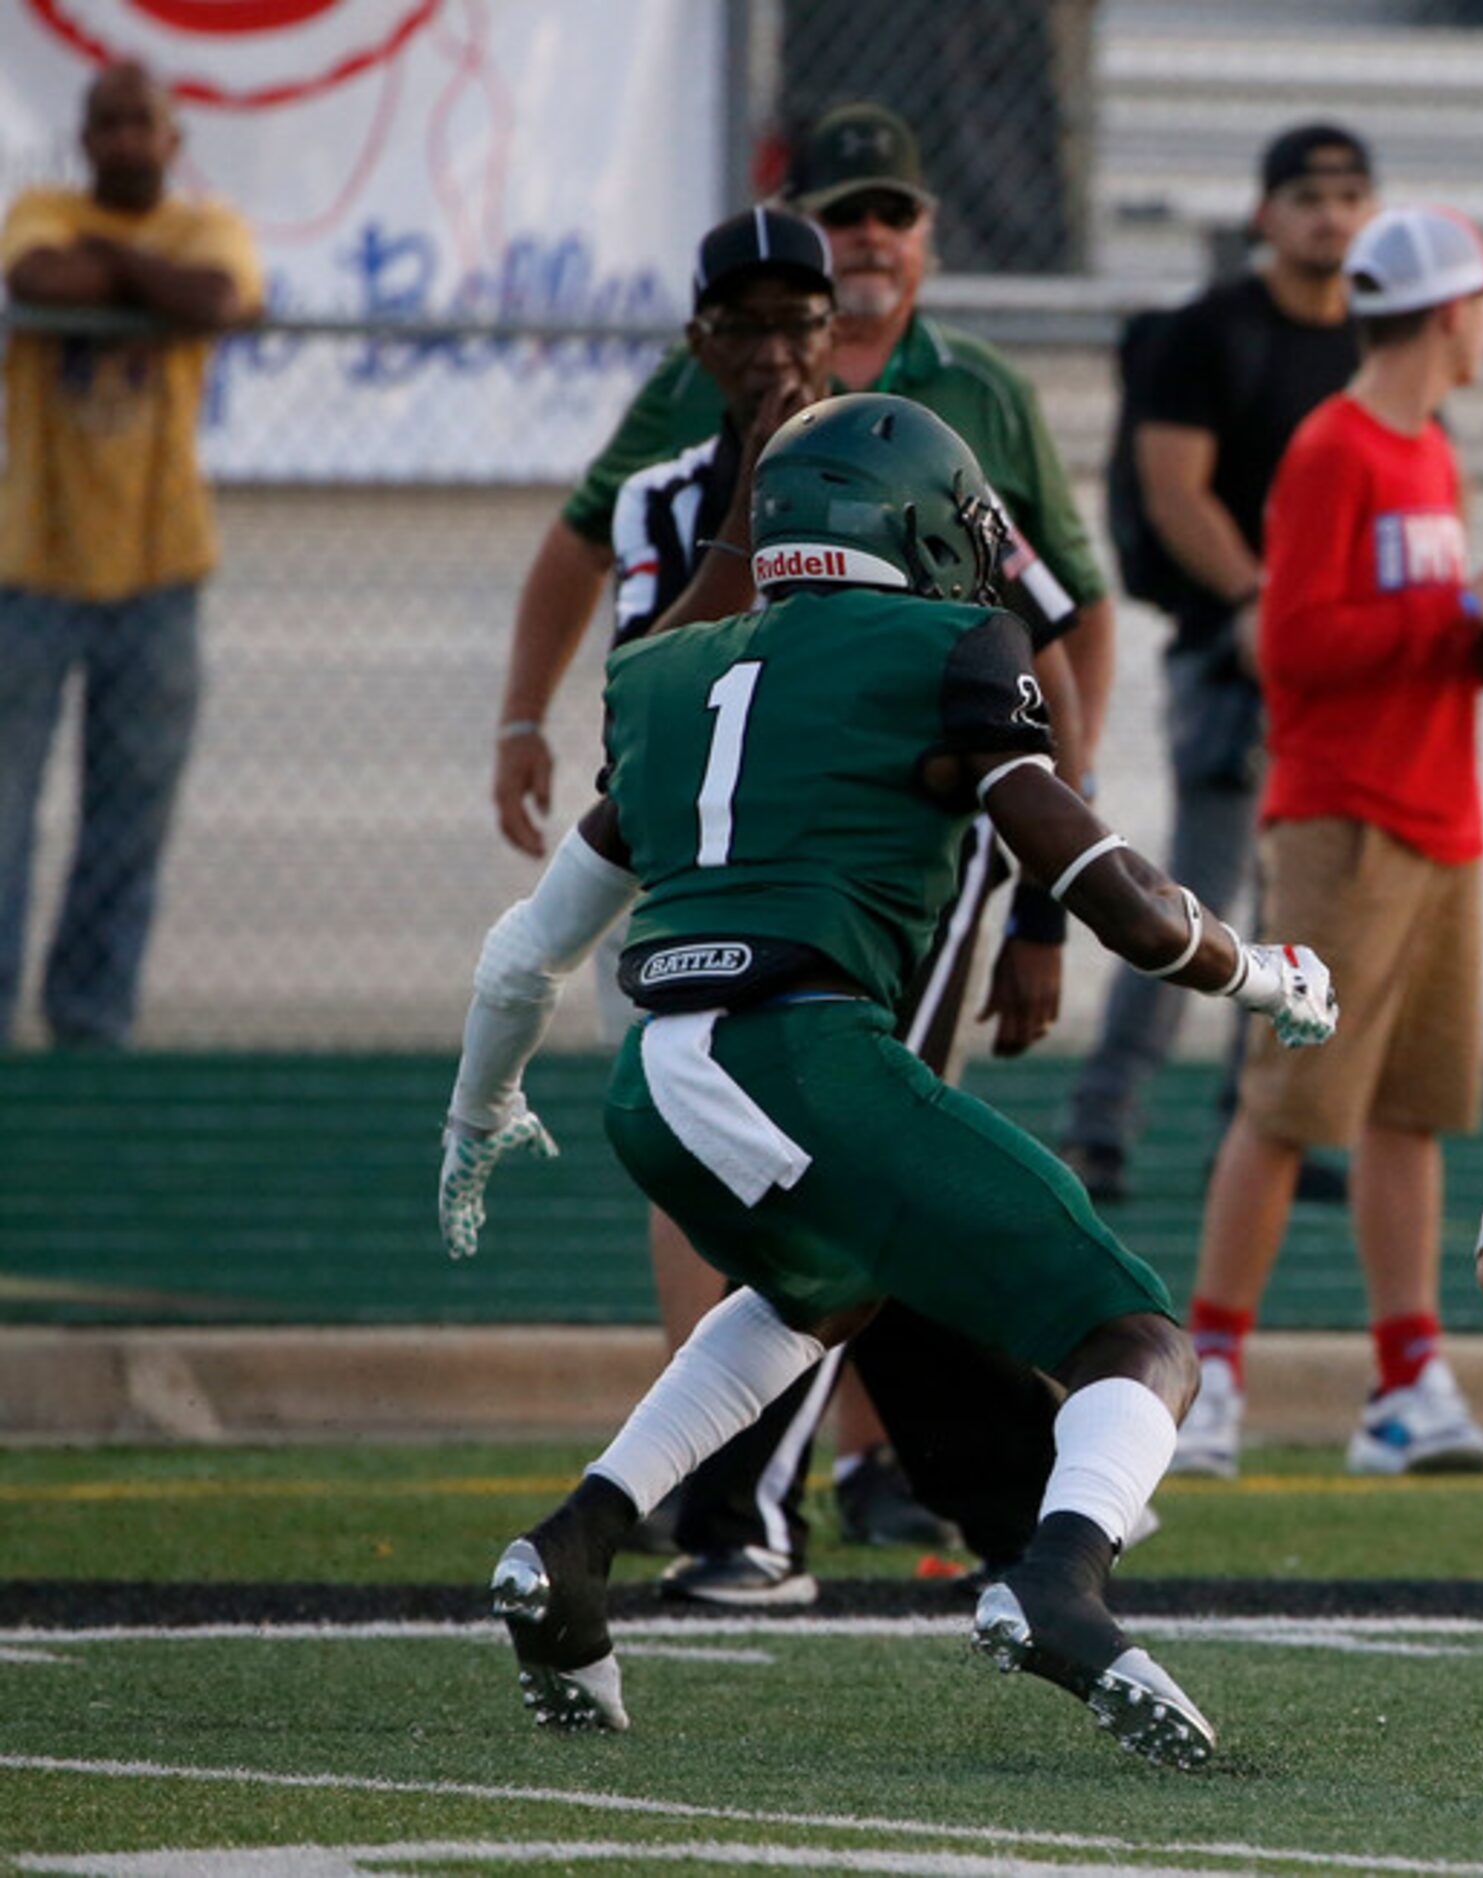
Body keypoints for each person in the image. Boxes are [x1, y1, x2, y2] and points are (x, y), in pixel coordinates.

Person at [437, 392, 1341, 1766]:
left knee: (821, 1290)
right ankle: (1059, 1579)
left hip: (651, 1082)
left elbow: (521, 959)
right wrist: (1259, 971)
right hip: (800, 1054)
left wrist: (479, 1112)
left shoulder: (666, 672)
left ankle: (570, 1551)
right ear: (917, 525)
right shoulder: (949, 648)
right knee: (1136, 1336)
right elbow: (1123, 901)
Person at [493, 103, 1104, 1596]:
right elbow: (646, 685)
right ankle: (797, 1490)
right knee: (762, 1174)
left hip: (891, 865)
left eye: (800, 319)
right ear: (700, 341)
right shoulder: (660, 476)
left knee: (851, 1164)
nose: (775, 349)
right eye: (745, 324)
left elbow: (1038, 627)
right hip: (711, 860)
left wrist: (1045, 892)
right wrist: (523, 714)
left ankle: (770, 1498)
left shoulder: (934, 428)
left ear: (846, 316)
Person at [1172, 206, 1483, 1478]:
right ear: (1448, 313)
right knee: (1287, 1106)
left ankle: (1406, 1380)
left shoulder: (1429, 449)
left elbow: (1432, 640)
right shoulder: (1333, 448)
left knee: (1411, 1112)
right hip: (1339, 819)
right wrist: (1470, 601)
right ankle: (1206, 1378)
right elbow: (1293, 646)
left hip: (1437, 816)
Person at [1057, 121, 1374, 1208]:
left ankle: (1263, 1126)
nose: (1329, 214)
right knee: (1188, 899)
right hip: (1232, 667)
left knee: (1303, 906)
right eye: (1307, 194)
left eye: (1347, 194)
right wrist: (1254, 602)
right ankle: (1101, 1126)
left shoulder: (1364, 342)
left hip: (1331, 676)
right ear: (1264, 215)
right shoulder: (1209, 334)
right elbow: (1171, 488)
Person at [0, 61, 260, 1049]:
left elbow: (221, 297)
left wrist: (113, 268)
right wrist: (150, 283)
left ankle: (90, 1028)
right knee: (5, 816)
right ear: (82, 138)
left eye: (138, 125)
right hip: (32, 561)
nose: (120, 142)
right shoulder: (38, 209)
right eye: (103, 125)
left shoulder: (206, 224)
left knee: (129, 816)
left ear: (171, 140)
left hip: (160, 569)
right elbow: (33, 276)